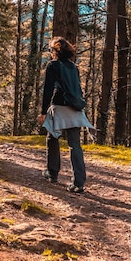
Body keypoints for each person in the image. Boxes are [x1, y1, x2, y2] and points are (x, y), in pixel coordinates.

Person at [38, 36, 93, 194]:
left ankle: (52, 172)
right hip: (75, 108)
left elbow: (48, 90)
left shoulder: (52, 65)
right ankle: (79, 182)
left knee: (52, 138)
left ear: (54, 51)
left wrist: (43, 111)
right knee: (74, 144)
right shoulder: (73, 67)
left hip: (59, 107)